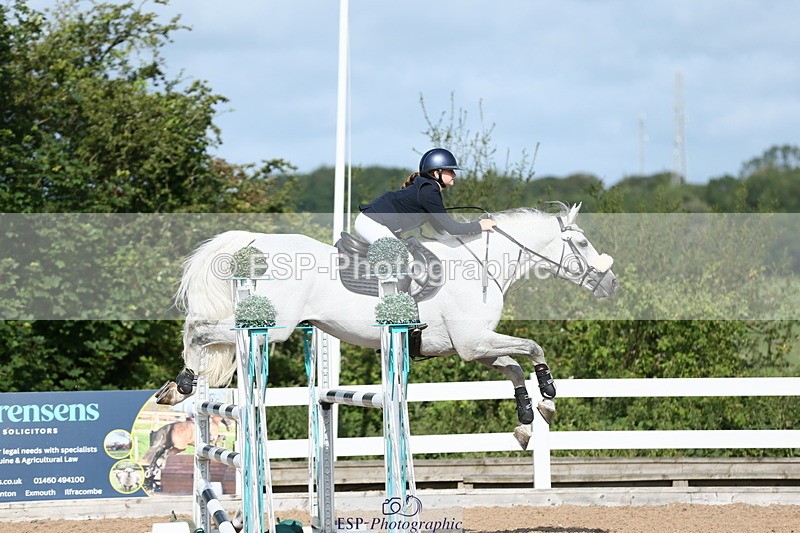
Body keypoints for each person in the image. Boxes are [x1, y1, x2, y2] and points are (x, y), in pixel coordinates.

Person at [355, 148, 496, 245]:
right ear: (436, 173)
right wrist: (479, 225)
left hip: (373, 222)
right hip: (371, 223)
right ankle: (392, 291)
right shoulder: (428, 191)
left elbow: (441, 230)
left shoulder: (427, 189)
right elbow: (452, 228)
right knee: (404, 260)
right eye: (450, 170)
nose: (455, 174)